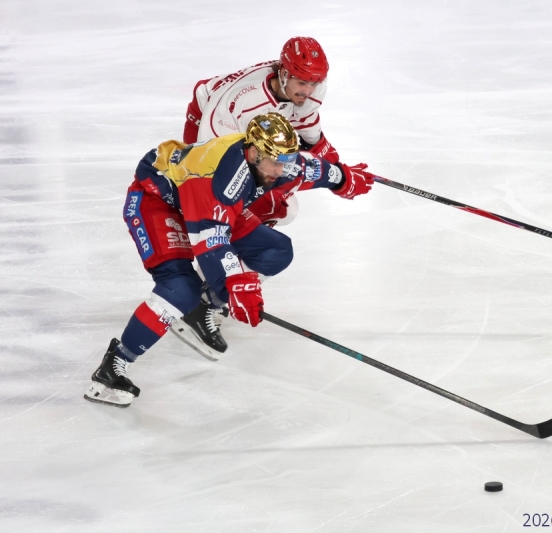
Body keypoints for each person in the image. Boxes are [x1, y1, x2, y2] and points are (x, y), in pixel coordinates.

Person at [84, 113, 374, 408]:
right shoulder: (218, 179)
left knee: (276, 251)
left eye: (285, 162)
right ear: (254, 152)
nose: (281, 171)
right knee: (180, 288)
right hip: (157, 201)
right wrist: (237, 283)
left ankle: (202, 307)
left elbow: (309, 167)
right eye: (276, 163)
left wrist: (342, 178)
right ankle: (113, 366)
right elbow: (211, 244)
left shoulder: (275, 159)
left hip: (210, 209)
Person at [174, 36, 343, 360]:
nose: (308, 90)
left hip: (242, 126)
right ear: (283, 73)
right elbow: (214, 169)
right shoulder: (241, 105)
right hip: (209, 129)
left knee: (283, 209)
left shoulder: (305, 86)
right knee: (238, 208)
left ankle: (211, 283)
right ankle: (207, 288)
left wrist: (335, 170)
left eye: (314, 82)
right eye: (301, 82)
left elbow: (309, 135)